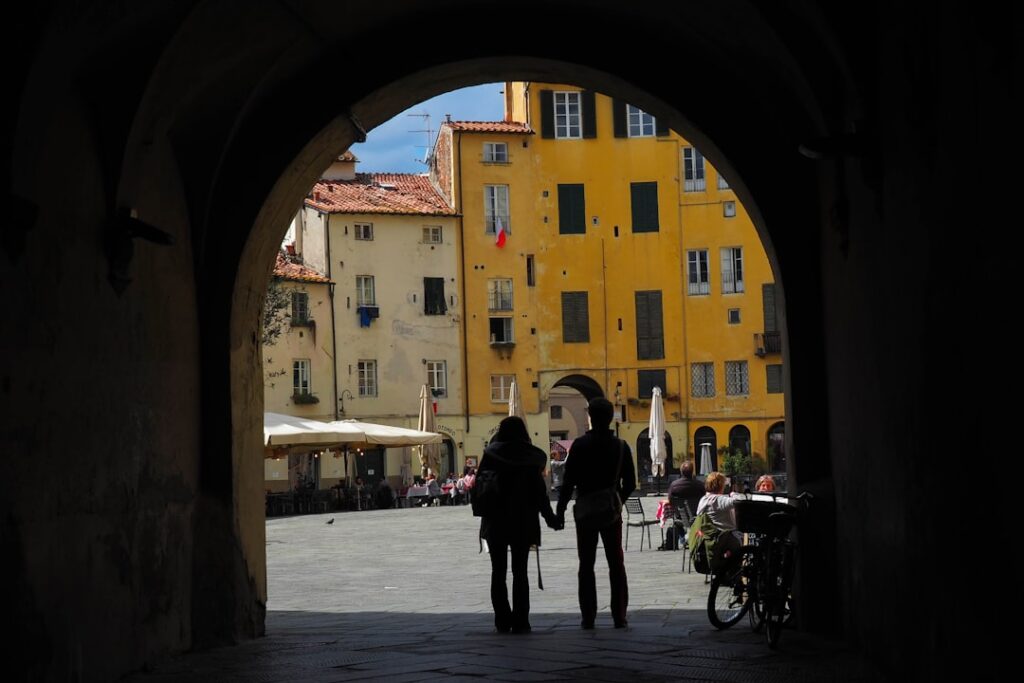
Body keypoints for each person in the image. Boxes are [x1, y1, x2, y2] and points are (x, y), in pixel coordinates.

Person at [555, 398, 635, 629]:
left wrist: (560, 511)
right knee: (616, 563)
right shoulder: (621, 446)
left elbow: (568, 482)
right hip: (611, 509)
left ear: (590, 416)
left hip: (585, 510)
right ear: (610, 417)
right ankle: (619, 615)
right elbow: (630, 482)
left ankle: (588, 616)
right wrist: (618, 499)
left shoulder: (579, 445)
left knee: (586, 564)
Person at [478, 416, 561, 634]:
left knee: (498, 572)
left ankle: (502, 620)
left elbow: (479, 486)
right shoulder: (531, 457)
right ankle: (521, 620)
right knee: (520, 571)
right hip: (523, 520)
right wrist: (550, 518)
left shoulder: (490, 455)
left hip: (495, 520)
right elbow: (539, 493)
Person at [696, 471, 744, 573]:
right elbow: (740, 501)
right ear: (721, 485)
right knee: (747, 539)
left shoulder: (703, 500)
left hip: (708, 539)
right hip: (724, 539)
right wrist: (734, 494)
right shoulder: (718, 500)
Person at [659, 459, 704, 550]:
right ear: (692, 471)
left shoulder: (674, 485)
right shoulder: (699, 485)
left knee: (677, 522)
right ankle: (690, 539)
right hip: (697, 516)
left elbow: (670, 500)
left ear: (681, 472)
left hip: (680, 516)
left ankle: (684, 539)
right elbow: (704, 499)